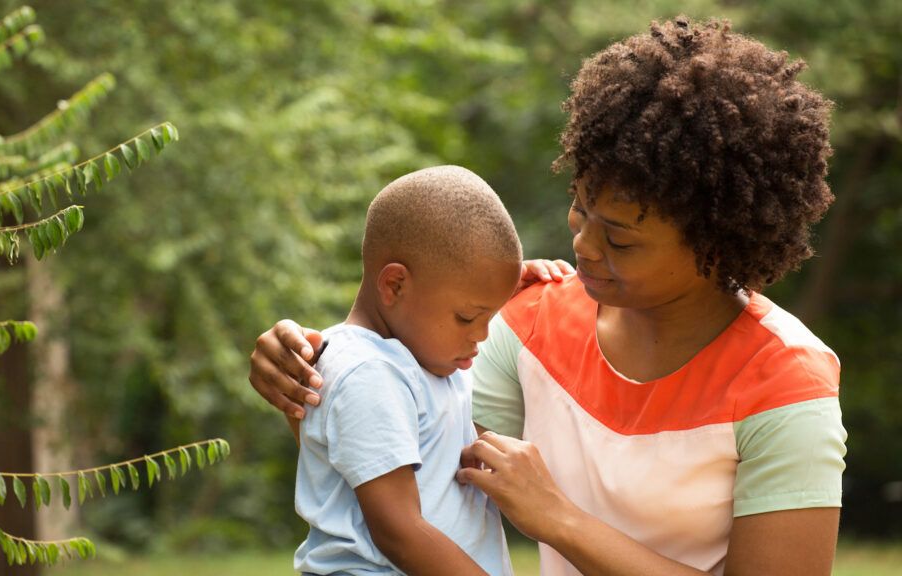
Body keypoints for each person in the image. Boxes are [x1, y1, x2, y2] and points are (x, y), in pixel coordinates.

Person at [250, 16, 846, 576]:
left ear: (717, 244)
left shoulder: (785, 385)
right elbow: (392, 459)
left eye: (619, 238)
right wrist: (306, 379)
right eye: (581, 210)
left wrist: (559, 519)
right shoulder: (527, 324)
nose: (583, 246)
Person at [291, 165, 523, 576]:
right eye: (468, 317)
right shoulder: (368, 371)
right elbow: (399, 531)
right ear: (394, 285)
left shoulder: (422, 356)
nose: (482, 335)